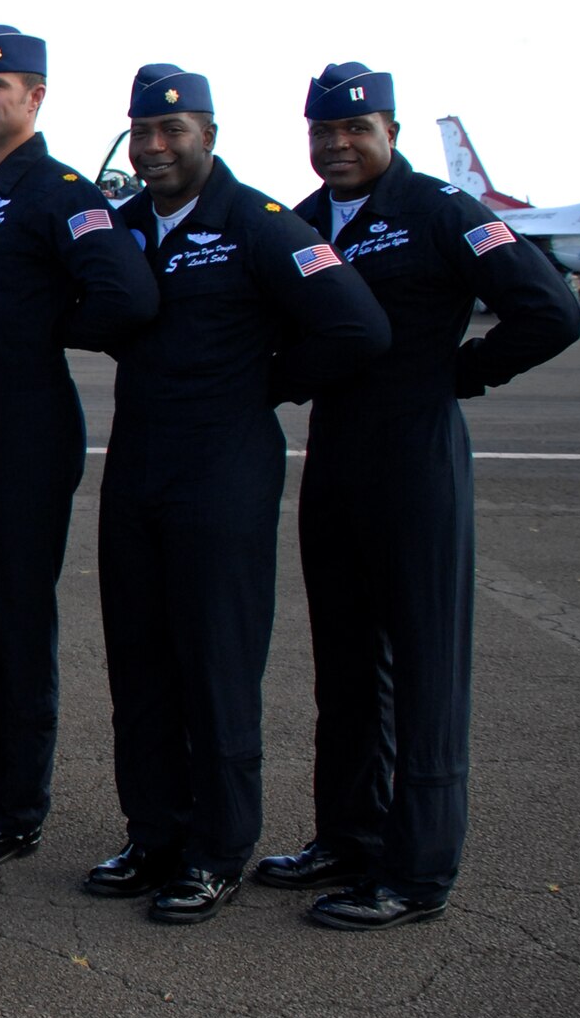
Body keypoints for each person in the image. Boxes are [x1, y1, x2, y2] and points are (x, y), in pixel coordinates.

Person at [256, 63, 580, 930]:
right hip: (336, 461)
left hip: (417, 463)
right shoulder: (307, 218)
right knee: (348, 663)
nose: (338, 144)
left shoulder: (440, 210)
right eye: (324, 131)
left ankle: (419, 870)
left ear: (388, 131)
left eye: (355, 129)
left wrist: (459, 375)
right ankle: (350, 836)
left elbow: (550, 310)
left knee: (427, 668)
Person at [87, 65, 389, 923]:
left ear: (207, 134)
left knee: (216, 665)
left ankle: (217, 850)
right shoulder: (128, 224)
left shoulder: (261, 223)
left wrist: (270, 382)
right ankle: (155, 835)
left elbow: (358, 327)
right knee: (139, 662)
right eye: (143, 130)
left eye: (171, 130)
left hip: (223, 473)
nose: (153, 147)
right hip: (139, 464)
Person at [0, 26, 159, 870]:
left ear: (36, 98)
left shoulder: (59, 191)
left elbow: (127, 295)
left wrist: (42, 328)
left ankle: (15, 808)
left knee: (15, 626)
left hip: (23, 436)